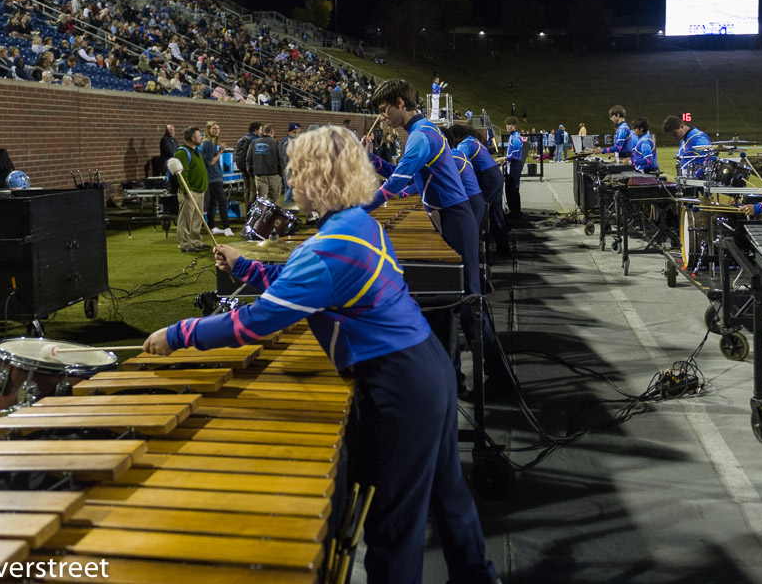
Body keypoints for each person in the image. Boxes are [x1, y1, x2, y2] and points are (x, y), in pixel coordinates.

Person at [142, 126, 500, 584]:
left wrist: (178, 334)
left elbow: (252, 323)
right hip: (427, 368)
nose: (290, 182)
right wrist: (245, 264)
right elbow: (302, 279)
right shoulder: (357, 223)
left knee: (393, 525)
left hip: (400, 384)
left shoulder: (330, 248)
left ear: (317, 178)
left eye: (296, 173)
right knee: (448, 494)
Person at [367, 79, 510, 396]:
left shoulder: (421, 135)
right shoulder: (424, 133)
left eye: (384, 110)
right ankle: (453, 378)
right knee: (449, 302)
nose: (383, 117)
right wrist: (371, 160)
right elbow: (408, 178)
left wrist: (358, 210)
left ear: (400, 104)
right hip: (446, 216)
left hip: (456, 218)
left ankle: (500, 377)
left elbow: (396, 182)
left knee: (469, 301)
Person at [449, 122, 511, 257]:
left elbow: (460, 162)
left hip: (487, 178)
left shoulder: (464, 145)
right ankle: (503, 249)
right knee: (496, 213)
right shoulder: (473, 140)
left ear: (456, 137)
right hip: (495, 176)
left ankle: (477, 250)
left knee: (479, 212)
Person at [173, 127, 209, 253]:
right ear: (193, 138)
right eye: (199, 136)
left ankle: (195, 240)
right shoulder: (182, 152)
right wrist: (187, 191)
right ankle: (184, 243)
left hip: (199, 191)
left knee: (196, 219)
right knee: (186, 219)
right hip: (190, 192)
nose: (201, 138)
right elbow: (182, 174)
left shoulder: (195, 151)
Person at [201, 121, 232, 237]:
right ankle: (227, 227)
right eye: (214, 129)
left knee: (212, 202)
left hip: (214, 177)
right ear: (208, 130)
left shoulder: (212, 143)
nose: (217, 131)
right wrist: (220, 151)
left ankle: (212, 227)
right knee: (222, 201)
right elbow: (210, 162)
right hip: (213, 177)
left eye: (218, 129)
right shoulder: (208, 144)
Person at [247, 124, 286, 205]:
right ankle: (273, 218)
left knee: (261, 201)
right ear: (272, 132)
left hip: (260, 175)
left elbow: (248, 160)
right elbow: (282, 159)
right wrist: (281, 173)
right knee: (274, 200)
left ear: (263, 132)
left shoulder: (254, 143)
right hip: (274, 175)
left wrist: (253, 173)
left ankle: (262, 217)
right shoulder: (276, 143)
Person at [235, 121, 262, 210]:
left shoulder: (241, 139)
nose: (261, 132)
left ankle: (247, 209)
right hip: (252, 169)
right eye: (260, 129)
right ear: (256, 130)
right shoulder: (255, 140)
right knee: (253, 191)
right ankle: (251, 210)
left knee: (247, 190)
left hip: (243, 168)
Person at [503, 116, 524, 218]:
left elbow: (514, 155)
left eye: (510, 124)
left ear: (514, 126)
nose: (507, 126)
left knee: (513, 189)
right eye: (507, 124)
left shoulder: (516, 138)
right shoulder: (512, 136)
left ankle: (516, 211)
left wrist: (504, 159)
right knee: (509, 189)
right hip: (511, 165)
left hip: (514, 165)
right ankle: (513, 210)